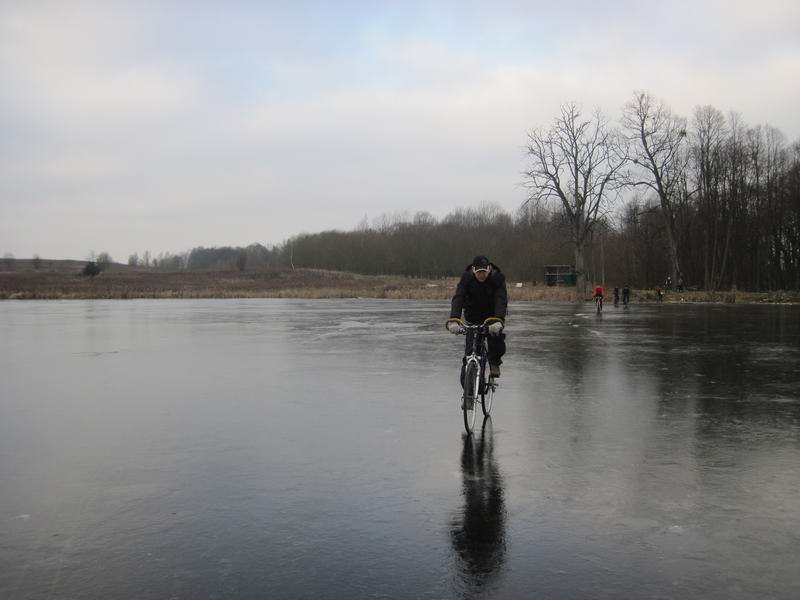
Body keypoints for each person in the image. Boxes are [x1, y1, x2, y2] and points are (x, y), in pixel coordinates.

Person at [446, 255, 507, 378]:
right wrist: (454, 320)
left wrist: (499, 320)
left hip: (492, 316)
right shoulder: (466, 278)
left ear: (489, 269)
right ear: (474, 270)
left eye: (484, 271)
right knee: (470, 351)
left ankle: (494, 363)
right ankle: (468, 385)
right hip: (473, 315)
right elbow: (459, 298)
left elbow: (500, 299)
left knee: (495, 337)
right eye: (479, 272)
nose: (482, 275)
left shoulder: (497, 278)